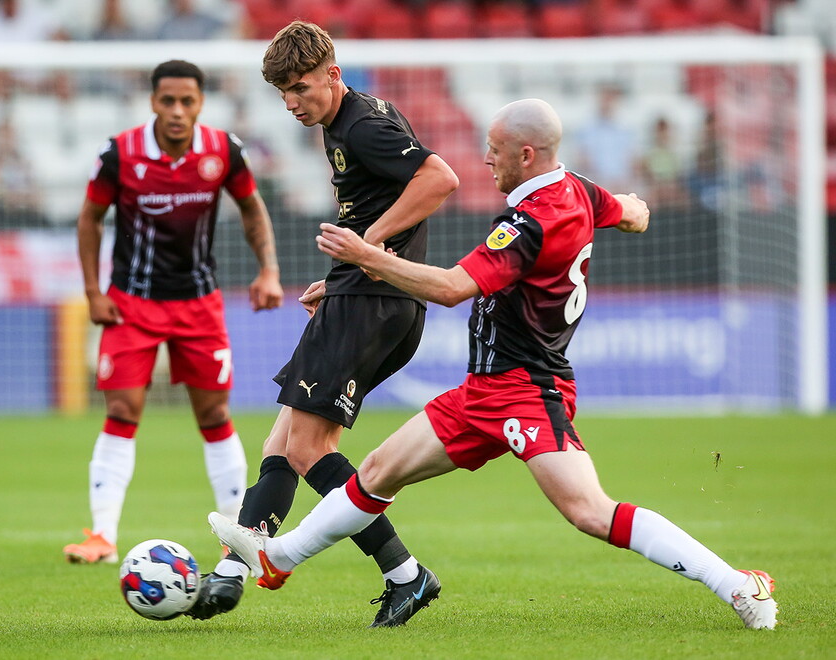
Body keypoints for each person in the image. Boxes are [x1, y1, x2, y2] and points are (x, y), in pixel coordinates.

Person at [209, 98, 779, 631]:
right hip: (479, 391)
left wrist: (366, 258)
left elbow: (454, 288)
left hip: (528, 392)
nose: (485, 159)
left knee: (589, 512)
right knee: (379, 470)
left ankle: (736, 585)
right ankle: (279, 557)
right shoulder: (578, 190)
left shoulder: (532, 222)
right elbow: (632, 213)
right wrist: (631, 211)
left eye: (494, 149)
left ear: (525, 155)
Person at [190, 20, 459, 626]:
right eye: (282, 91)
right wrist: (344, 275)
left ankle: (406, 574)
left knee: (310, 449)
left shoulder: (362, 125)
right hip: (363, 296)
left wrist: (368, 249)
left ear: (333, 75)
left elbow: (440, 178)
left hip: (373, 304)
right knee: (282, 446)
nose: (291, 102)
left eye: (300, 88)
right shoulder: (344, 120)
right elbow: (391, 196)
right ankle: (232, 574)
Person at [64, 59, 283, 564]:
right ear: (153, 103)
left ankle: (240, 539)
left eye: (188, 101)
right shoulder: (119, 154)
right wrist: (93, 292)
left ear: (201, 103)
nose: (178, 111)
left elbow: (252, 208)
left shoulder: (223, 151)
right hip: (130, 305)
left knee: (214, 414)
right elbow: (90, 219)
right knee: (122, 410)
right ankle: (102, 535)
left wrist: (267, 270)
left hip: (198, 303)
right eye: (168, 101)